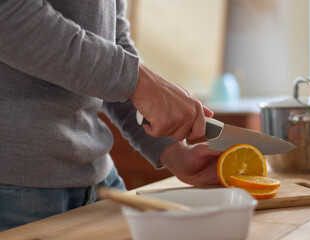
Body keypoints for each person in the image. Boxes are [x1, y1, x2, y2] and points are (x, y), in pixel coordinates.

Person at [0, 0, 222, 231]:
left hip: (100, 179)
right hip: (13, 190)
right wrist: (140, 81)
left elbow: (114, 44)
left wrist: (174, 153)